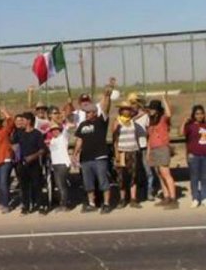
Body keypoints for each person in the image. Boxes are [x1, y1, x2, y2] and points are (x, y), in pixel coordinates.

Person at [73, 84, 113, 214]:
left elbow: (106, 108)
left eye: (89, 112)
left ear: (94, 112)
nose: (86, 114)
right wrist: (75, 154)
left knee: (103, 181)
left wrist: (107, 95)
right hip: (86, 158)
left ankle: (106, 203)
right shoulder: (83, 125)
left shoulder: (101, 122)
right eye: (85, 112)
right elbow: (79, 140)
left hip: (99, 157)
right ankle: (91, 203)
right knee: (88, 183)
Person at [13, 112, 47, 214]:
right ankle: (26, 207)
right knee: (24, 186)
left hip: (34, 164)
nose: (21, 122)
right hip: (21, 164)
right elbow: (13, 144)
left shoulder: (37, 134)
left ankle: (40, 205)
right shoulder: (18, 133)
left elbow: (42, 149)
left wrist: (32, 156)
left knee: (37, 185)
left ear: (29, 121)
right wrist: (15, 150)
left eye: (23, 120)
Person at [112, 101, 144, 209]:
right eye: (124, 109)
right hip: (122, 152)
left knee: (133, 176)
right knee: (122, 177)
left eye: (128, 109)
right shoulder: (117, 122)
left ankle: (133, 199)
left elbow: (141, 112)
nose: (127, 111)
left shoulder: (132, 122)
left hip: (133, 150)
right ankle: (122, 199)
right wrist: (116, 153)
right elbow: (115, 139)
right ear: (121, 110)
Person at [147, 97, 178, 209]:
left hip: (162, 148)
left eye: (153, 109)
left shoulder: (163, 119)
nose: (150, 110)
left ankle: (174, 199)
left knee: (166, 173)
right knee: (160, 175)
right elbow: (149, 138)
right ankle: (166, 197)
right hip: (154, 149)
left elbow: (169, 113)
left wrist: (164, 100)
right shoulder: (151, 121)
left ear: (157, 110)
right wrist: (148, 153)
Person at [129, 94, 155, 201]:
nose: (132, 106)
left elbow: (150, 132)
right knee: (135, 172)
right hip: (132, 148)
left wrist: (149, 147)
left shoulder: (146, 116)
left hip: (143, 147)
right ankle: (137, 194)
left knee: (148, 171)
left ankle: (149, 192)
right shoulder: (128, 116)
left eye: (134, 103)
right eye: (131, 103)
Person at [181, 105, 206, 208]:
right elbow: (181, 133)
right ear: (193, 115)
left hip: (205, 155)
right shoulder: (190, 125)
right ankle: (195, 198)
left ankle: (204, 197)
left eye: (201, 113)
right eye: (197, 114)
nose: (199, 116)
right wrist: (184, 122)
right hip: (194, 156)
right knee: (194, 178)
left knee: (204, 177)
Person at [47, 122, 71, 211]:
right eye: (52, 130)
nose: (54, 131)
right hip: (55, 165)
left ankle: (64, 204)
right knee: (59, 185)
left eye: (56, 130)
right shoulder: (53, 140)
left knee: (62, 185)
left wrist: (63, 121)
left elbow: (66, 128)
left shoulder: (63, 137)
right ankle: (63, 203)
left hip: (63, 163)